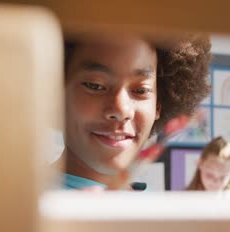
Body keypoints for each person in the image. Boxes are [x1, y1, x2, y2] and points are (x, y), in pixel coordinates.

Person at [61, 31, 212, 190]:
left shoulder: (151, 208)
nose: (122, 110)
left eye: (141, 91)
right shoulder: (36, 204)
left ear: (158, 105)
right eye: (95, 85)